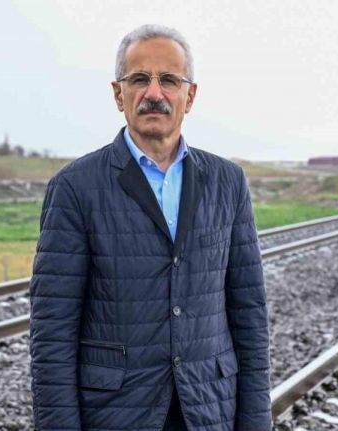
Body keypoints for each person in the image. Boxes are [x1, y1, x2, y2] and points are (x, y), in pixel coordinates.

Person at [29, 24, 272, 431]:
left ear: (190, 96)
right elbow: (52, 334)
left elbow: (249, 316)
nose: (154, 93)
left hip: (209, 409)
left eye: (169, 80)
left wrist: (256, 422)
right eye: (139, 79)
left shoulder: (228, 182)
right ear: (118, 94)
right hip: (114, 414)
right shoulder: (74, 188)